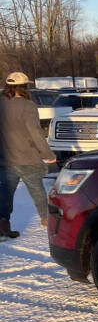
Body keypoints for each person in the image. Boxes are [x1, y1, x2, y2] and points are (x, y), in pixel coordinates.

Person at [0, 72, 57, 239]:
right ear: (25, 87)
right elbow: (35, 132)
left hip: (6, 159)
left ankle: (2, 228)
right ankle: (47, 220)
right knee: (37, 190)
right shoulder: (27, 105)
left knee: (4, 194)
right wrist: (47, 154)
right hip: (27, 158)